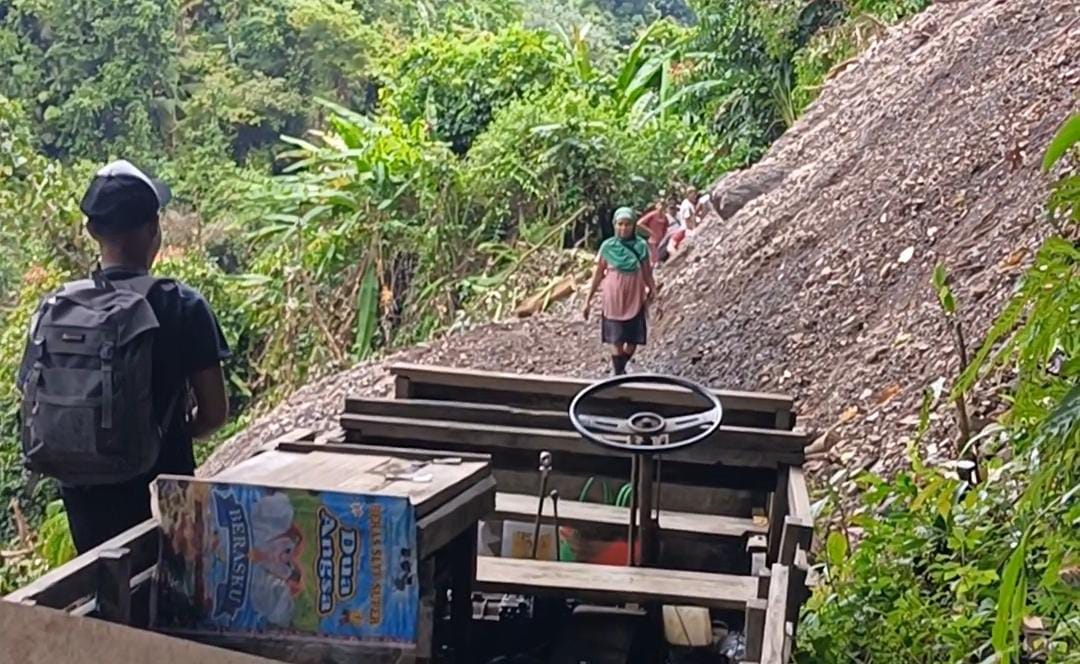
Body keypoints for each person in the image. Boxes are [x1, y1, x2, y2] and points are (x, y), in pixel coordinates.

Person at [17, 160, 231, 553]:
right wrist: (170, 433)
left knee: (104, 596)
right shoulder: (182, 306)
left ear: (93, 231)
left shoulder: (56, 308)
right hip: (163, 497)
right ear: (154, 230)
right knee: (166, 605)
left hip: (84, 502)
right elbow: (215, 413)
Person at [583, 207, 657, 375]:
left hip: (635, 296)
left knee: (633, 339)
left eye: (628, 224)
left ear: (633, 226)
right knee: (615, 338)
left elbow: (647, 273)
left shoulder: (640, 246)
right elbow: (598, 274)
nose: (623, 228)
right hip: (613, 299)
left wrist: (654, 291)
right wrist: (587, 301)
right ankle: (619, 373)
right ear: (614, 225)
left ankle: (620, 368)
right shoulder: (607, 247)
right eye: (620, 224)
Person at [635, 200, 668, 267]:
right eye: (660, 204)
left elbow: (666, 227)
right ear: (656, 206)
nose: (661, 206)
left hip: (660, 240)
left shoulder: (665, 217)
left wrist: (663, 236)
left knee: (658, 259)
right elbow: (639, 223)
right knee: (654, 259)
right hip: (652, 240)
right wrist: (649, 231)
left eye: (663, 204)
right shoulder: (652, 214)